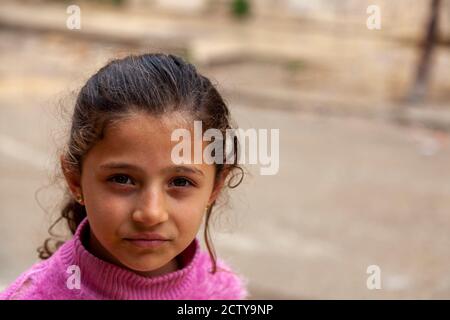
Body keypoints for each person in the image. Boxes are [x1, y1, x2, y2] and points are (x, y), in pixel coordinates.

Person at [0, 53, 248, 300]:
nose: (151, 213)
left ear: (215, 188)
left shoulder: (222, 291)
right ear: (75, 180)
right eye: (122, 179)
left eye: (180, 182)